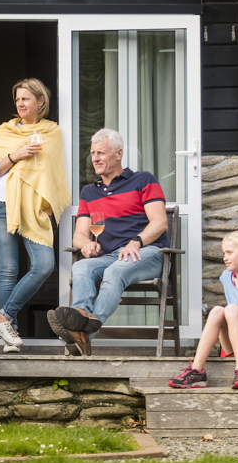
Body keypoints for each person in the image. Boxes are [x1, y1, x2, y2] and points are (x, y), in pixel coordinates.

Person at [48, 128, 168, 356]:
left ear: (119, 153)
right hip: (113, 256)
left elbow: (160, 222)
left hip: (148, 252)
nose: (95, 158)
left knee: (114, 272)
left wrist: (136, 241)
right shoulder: (89, 192)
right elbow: (80, 234)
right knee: (81, 265)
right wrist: (86, 243)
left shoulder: (143, 180)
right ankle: (80, 317)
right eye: (93, 153)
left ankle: (80, 332)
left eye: (101, 153)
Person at [0, 78, 70, 353]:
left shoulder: (52, 133)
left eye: (26, 99)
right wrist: (15, 154)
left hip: (33, 209)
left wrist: (51, 203)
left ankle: (3, 317)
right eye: (18, 99)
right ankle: (12, 333)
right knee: (7, 271)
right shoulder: (5, 131)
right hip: (1, 205)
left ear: (40, 102)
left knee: (44, 264)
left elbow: (55, 174)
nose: (20, 104)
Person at [169, 231, 238, 389]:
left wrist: (229, 311)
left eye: (229, 252)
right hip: (232, 341)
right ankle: (196, 371)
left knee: (231, 309)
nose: (224, 258)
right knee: (216, 311)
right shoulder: (225, 277)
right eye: (223, 253)